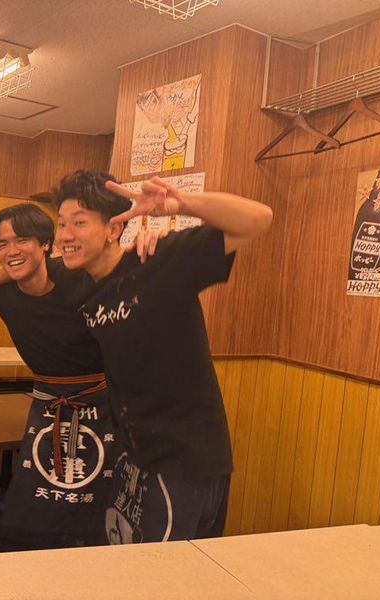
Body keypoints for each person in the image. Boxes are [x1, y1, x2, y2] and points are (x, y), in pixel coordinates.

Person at [52, 170, 272, 543]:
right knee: (129, 560)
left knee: (166, 571)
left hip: (186, 459)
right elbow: (28, 267)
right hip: (136, 455)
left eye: (79, 222)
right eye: (61, 224)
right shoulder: (81, 283)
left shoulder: (157, 260)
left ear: (113, 229)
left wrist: (181, 203)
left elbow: (258, 219)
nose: (65, 235)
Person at [0, 203, 158, 550]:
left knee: (101, 511)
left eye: (22, 240)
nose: (11, 250)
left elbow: (123, 269)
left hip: (103, 406)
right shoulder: (3, 290)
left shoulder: (76, 276)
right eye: (2, 244)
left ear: (45, 243)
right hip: (46, 407)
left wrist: (153, 242)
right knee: (31, 511)